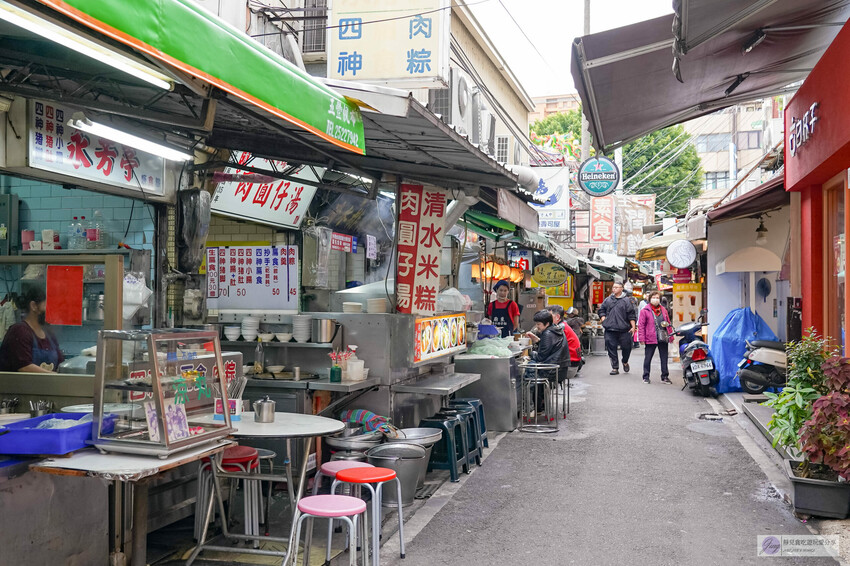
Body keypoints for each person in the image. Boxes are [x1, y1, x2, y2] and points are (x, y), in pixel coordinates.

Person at [0, 286, 63, 372]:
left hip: (45, 381)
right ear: (33, 306)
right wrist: (53, 376)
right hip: (20, 381)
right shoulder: (20, 331)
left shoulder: (49, 335)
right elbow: (24, 367)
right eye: (47, 306)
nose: (51, 311)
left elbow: (60, 363)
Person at [526, 310, 566, 413]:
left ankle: (529, 408)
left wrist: (530, 353)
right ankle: (538, 406)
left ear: (547, 323)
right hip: (560, 368)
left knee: (526, 377)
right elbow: (549, 350)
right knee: (532, 370)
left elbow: (540, 357)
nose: (537, 327)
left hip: (551, 370)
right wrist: (537, 340)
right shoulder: (556, 330)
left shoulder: (547, 333)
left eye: (538, 324)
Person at [597, 281, 637, 375]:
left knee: (627, 347)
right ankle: (615, 367)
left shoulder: (627, 300)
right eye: (613, 287)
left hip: (624, 329)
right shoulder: (608, 300)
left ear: (621, 288)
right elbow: (601, 310)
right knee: (611, 347)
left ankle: (625, 361)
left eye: (616, 287)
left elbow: (631, 314)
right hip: (610, 328)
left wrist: (633, 327)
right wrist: (603, 319)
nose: (614, 289)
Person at [637, 291, 674, 384]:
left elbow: (668, 323)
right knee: (648, 358)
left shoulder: (664, 310)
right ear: (650, 299)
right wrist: (641, 338)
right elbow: (641, 325)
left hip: (663, 336)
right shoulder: (645, 310)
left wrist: (671, 336)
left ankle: (665, 376)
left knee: (664, 358)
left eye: (657, 298)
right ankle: (646, 376)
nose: (655, 299)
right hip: (650, 337)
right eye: (653, 297)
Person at [546, 305, 582, 380]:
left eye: (549, 316)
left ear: (557, 317)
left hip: (568, 367)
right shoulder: (563, 325)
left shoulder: (559, 328)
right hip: (573, 364)